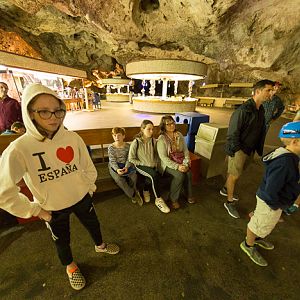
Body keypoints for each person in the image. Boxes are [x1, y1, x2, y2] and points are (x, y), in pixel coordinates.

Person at [0, 83, 119, 291]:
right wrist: (36, 211)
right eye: (44, 111)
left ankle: (100, 246)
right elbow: (4, 192)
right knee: (62, 240)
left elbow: (88, 167)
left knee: (94, 224)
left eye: (57, 110)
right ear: (30, 113)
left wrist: (89, 188)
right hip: (52, 208)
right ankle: (71, 267)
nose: (53, 117)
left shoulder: (72, 137)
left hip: (82, 197)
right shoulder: (19, 149)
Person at [240, 121, 300, 266]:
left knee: (265, 223)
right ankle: (248, 245)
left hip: (275, 201)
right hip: (270, 201)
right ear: (295, 141)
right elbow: (271, 190)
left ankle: (257, 238)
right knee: (257, 224)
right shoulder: (284, 163)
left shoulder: (289, 156)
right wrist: (274, 206)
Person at [220, 79, 275, 218]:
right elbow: (233, 133)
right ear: (258, 91)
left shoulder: (260, 109)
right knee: (234, 175)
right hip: (240, 149)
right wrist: (237, 151)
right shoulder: (244, 110)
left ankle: (226, 189)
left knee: (236, 174)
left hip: (250, 149)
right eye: (268, 90)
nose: (271, 93)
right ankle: (229, 202)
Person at [128, 119, 170, 213]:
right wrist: (143, 163)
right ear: (142, 129)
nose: (152, 131)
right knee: (154, 175)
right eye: (149, 129)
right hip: (141, 165)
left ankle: (146, 190)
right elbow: (131, 158)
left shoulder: (153, 141)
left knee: (153, 175)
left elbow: (156, 154)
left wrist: (156, 163)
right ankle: (158, 200)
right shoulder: (136, 142)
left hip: (152, 165)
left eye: (153, 129)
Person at [157, 115, 195, 210]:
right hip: (167, 165)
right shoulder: (162, 139)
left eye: (173, 123)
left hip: (180, 161)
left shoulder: (179, 135)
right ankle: (173, 199)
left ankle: (188, 194)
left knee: (188, 173)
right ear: (163, 126)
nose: (171, 125)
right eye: (168, 124)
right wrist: (178, 167)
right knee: (179, 175)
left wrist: (186, 163)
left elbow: (186, 151)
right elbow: (163, 158)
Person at [108, 127, 142, 205]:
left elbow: (129, 158)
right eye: (115, 135)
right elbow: (112, 161)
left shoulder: (128, 146)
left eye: (119, 135)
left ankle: (135, 190)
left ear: (123, 136)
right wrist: (117, 169)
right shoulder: (111, 147)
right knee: (119, 179)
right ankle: (133, 195)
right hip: (115, 165)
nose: (116, 137)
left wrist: (126, 167)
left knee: (134, 177)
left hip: (126, 164)